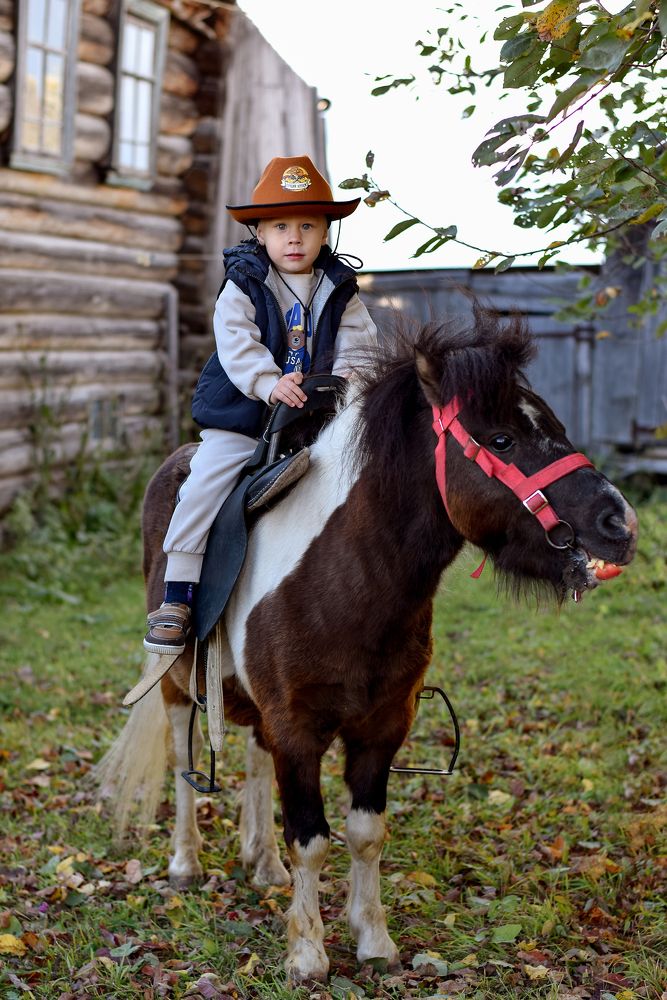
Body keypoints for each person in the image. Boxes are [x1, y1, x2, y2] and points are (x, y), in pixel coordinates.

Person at [144, 155, 378, 654]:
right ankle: (179, 593)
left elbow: (360, 343)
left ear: (325, 233)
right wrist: (268, 381)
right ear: (259, 231)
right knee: (206, 480)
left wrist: (346, 380)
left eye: (307, 226)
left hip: (314, 420)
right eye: (280, 226)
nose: (294, 238)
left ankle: (353, 588)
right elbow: (236, 342)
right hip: (245, 416)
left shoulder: (340, 289)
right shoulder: (244, 283)